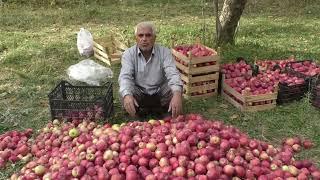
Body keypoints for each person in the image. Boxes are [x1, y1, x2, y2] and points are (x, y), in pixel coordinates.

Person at [118, 21, 183, 118]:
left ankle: (167, 113)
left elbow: (173, 74)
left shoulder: (164, 52)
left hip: (160, 91)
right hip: (139, 92)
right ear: (136, 38)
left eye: (148, 35)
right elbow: (125, 76)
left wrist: (177, 94)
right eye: (140, 35)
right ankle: (134, 115)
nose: (144, 39)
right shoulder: (128, 54)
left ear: (154, 38)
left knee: (176, 90)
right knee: (124, 92)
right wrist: (127, 95)